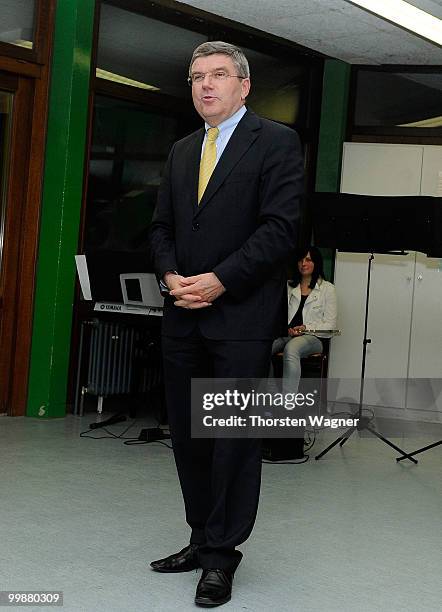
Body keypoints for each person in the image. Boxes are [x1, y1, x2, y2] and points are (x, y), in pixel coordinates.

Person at [149, 41, 303, 607]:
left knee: (232, 442)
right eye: (195, 77)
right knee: (189, 439)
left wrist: (219, 280)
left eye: (217, 75)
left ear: (244, 85)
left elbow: (279, 229)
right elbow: (162, 227)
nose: (204, 86)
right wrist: (170, 277)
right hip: (182, 316)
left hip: (239, 317)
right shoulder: (182, 150)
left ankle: (221, 558)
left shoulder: (277, 143)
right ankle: (200, 537)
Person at [271, 246, 337, 394]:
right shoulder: (288, 286)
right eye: (301, 260)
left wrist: (306, 327)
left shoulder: (327, 289)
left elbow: (331, 326)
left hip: (313, 338)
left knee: (292, 348)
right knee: (263, 348)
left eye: (308, 260)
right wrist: (284, 328)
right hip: (287, 334)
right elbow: (278, 314)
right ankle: (269, 396)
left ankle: (288, 401)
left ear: (316, 263)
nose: (303, 264)